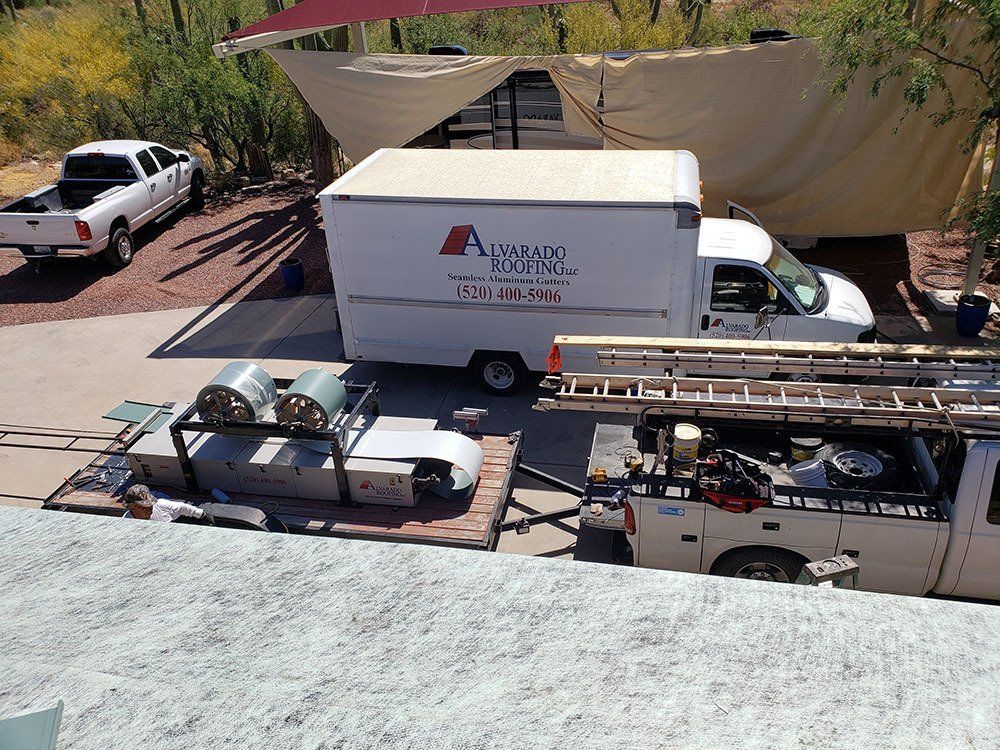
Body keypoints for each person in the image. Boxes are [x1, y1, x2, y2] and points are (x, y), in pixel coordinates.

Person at [122, 484, 214, 524]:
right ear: (133, 507)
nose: (149, 508)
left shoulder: (161, 505)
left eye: (150, 505)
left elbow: (182, 507)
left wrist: (202, 514)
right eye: (144, 507)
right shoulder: (125, 523)